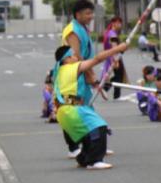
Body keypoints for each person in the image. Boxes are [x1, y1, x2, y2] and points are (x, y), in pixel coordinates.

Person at [52, 38, 128, 170]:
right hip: (71, 110)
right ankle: (94, 161)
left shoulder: (60, 72)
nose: (76, 57)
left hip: (64, 112)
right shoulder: (72, 67)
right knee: (99, 126)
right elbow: (97, 59)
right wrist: (117, 49)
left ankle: (84, 158)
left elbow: (84, 80)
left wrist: (96, 84)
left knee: (89, 132)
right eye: (73, 55)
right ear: (66, 59)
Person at [100, 16, 128, 99]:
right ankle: (107, 89)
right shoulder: (112, 34)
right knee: (118, 76)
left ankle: (114, 93)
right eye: (118, 23)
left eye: (120, 23)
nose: (120, 25)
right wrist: (116, 60)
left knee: (117, 76)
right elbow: (114, 47)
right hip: (115, 57)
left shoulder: (109, 33)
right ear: (114, 23)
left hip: (112, 57)